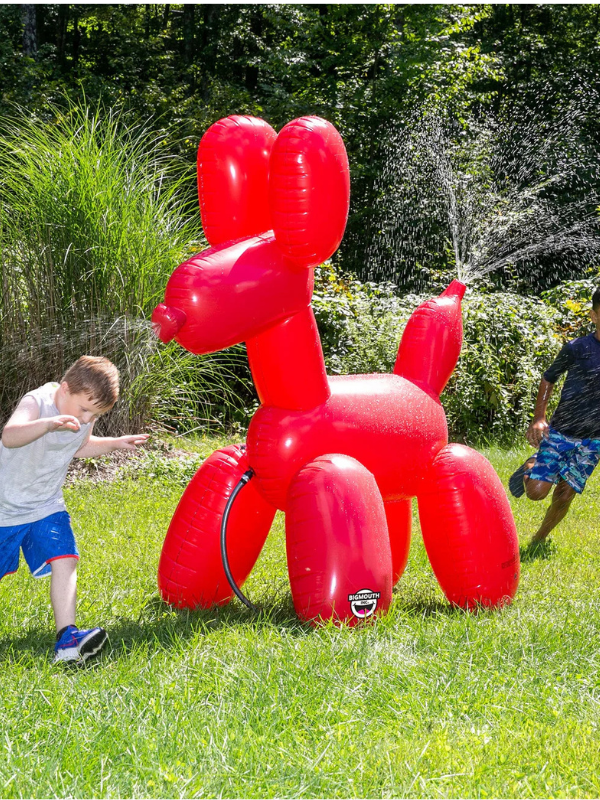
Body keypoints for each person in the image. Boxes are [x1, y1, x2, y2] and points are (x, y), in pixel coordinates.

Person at [0, 356, 149, 664]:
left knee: (66, 559)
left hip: (45, 504)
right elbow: (10, 436)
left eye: (93, 414)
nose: (85, 419)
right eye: (84, 410)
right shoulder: (38, 402)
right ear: (65, 389)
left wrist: (114, 443)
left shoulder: (84, 415)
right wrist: (48, 423)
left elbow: (79, 446)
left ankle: (67, 639)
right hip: (5, 507)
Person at [509, 288, 600, 546]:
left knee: (565, 494)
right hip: (562, 432)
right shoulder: (577, 348)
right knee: (537, 493)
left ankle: (539, 539)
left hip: (593, 441)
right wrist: (539, 417)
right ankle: (531, 465)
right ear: (594, 316)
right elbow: (549, 377)